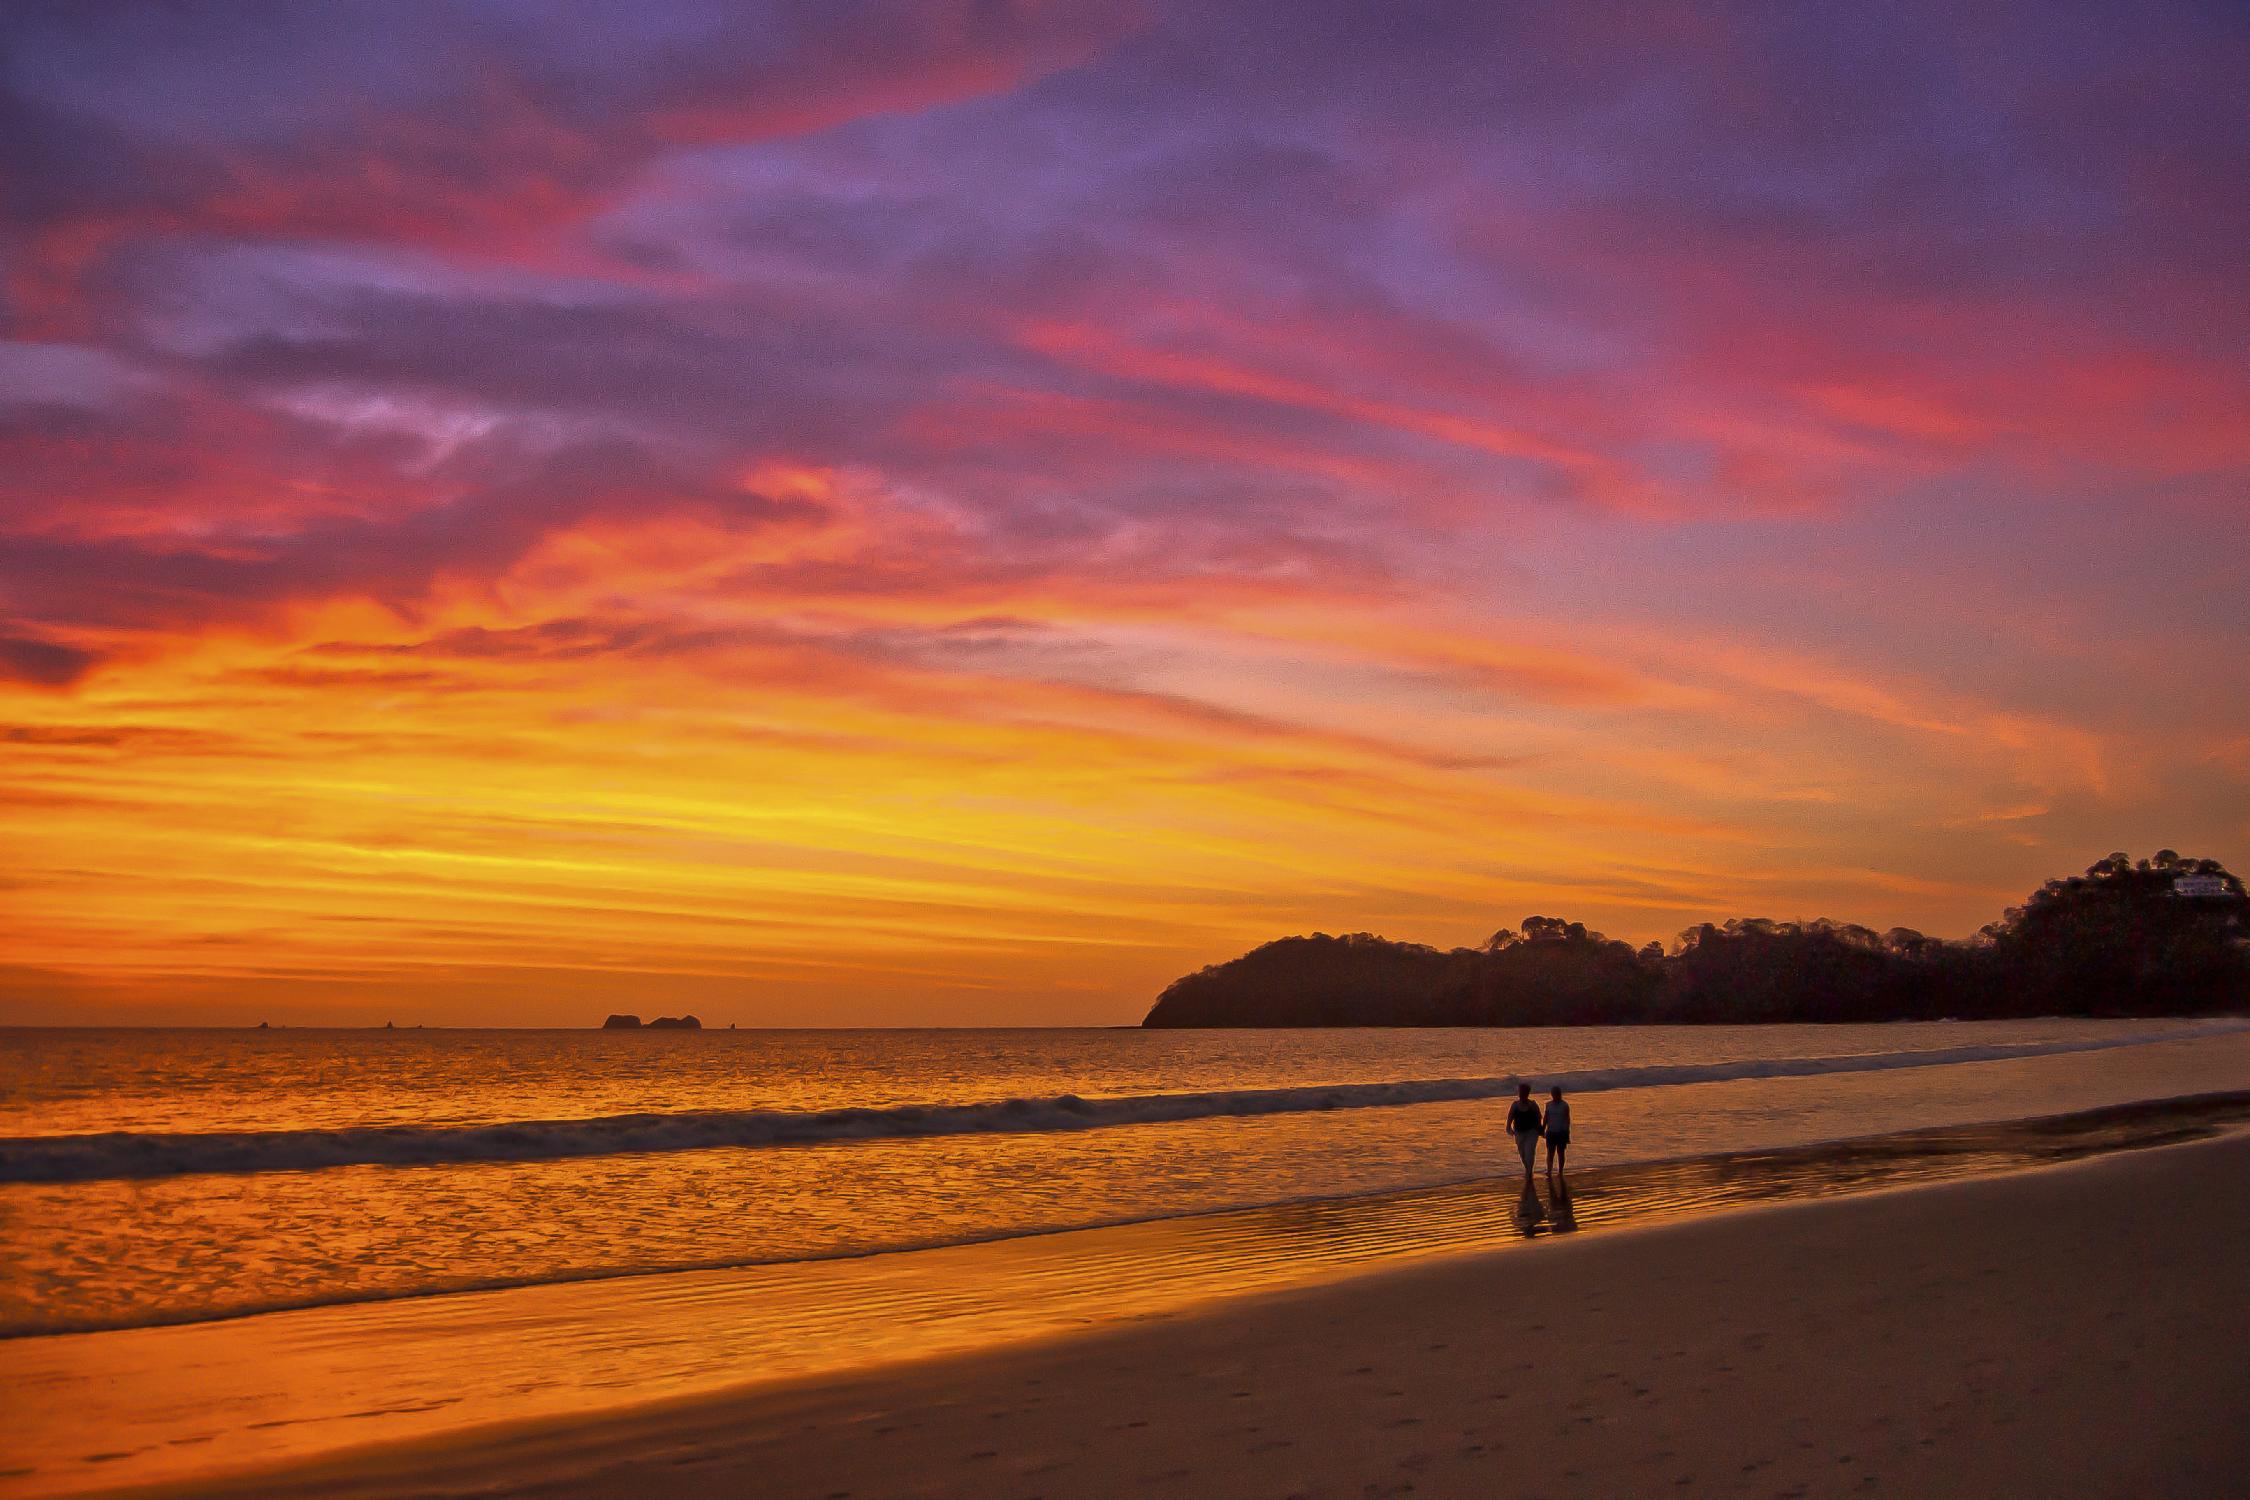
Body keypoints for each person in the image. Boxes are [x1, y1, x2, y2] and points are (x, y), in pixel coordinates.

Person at [1506, 1083, 1542, 1178]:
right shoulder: (1515, 1105)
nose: (1521, 1094)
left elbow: (1539, 1118)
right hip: (1519, 1132)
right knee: (1522, 1153)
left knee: (1529, 1151)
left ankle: (1529, 1171)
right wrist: (1508, 1128)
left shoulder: (1533, 1104)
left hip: (1532, 1132)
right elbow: (1510, 1118)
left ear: (1527, 1093)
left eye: (1524, 1092)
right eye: (1520, 1092)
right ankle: (1528, 1169)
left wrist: (1540, 1130)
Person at [1542, 1086, 1571, 1178]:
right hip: (1551, 1131)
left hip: (1561, 1131)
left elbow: (1567, 1119)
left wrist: (1566, 1131)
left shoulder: (1564, 1105)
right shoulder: (1548, 1105)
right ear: (1552, 1094)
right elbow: (1546, 1118)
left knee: (1560, 1152)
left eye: (1558, 1094)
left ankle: (1560, 1171)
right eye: (1554, 1094)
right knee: (1550, 1152)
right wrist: (1543, 1129)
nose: (1556, 1096)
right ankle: (1549, 1171)